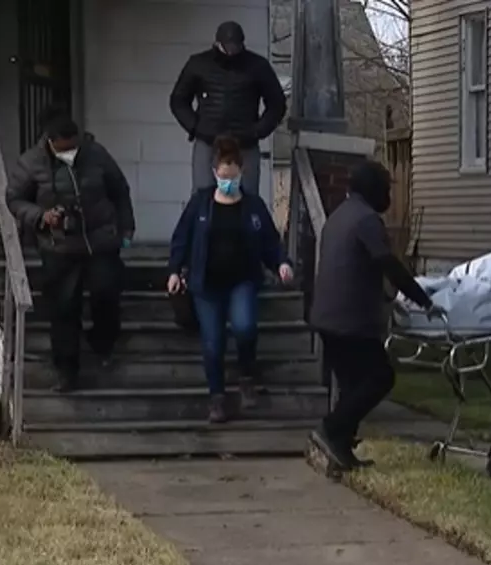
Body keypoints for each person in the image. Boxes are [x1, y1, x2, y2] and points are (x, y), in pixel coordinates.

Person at [309, 160, 443, 470]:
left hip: (326, 317)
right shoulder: (367, 220)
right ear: (373, 190)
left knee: (353, 385)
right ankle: (328, 431)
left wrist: (386, 298)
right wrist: (423, 301)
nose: (388, 197)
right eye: (386, 190)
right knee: (380, 378)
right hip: (349, 321)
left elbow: (354, 267)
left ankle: (341, 450)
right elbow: (388, 264)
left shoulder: (339, 216)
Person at [6, 106, 135, 393]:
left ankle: (102, 341)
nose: (71, 152)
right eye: (65, 148)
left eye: (74, 146)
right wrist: (41, 216)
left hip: (100, 238)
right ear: (50, 142)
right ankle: (67, 370)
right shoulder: (31, 163)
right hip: (59, 245)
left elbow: (119, 189)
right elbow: (14, 199)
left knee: (107, 291)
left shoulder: (96, 154)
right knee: (64, 308)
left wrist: (126, 228)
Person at [167, 135, 295, 423]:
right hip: (206, 284)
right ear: (215, 173)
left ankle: (247, 372)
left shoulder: (253, 206)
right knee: (212, 343)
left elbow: (270, 242)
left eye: (232, 175)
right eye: (223, 176)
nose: (228, 181)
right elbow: (181, 239)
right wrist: (175, 270)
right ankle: (217, 397)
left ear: (241, 171)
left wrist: (281, 264)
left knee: (245, 327)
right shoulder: (200, 204)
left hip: (242, 280)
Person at [170, 20, 287, 195]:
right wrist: (196, 127)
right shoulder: (199, 64)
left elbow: (277, 104)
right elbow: (178, 100)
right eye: (228, 46)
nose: (232, 51)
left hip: (244, 142)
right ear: (218, 43)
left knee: (248, 198)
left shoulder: (257, 67)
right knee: (202, 197)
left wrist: (257, 131)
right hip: (209, 141)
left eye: (235, 46)